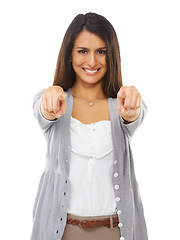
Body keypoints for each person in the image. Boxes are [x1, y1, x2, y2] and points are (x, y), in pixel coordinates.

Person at [31, 12, 149, 240]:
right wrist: (51, 96)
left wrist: (132, 106)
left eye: (101, 52)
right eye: (82, 51)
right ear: (69, 55)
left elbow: (135, 114)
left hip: (114, 232)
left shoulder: (121, 107)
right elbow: (43, 110)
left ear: (111, 55)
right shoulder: (55, 101)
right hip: (62, 232)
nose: (92, 62)